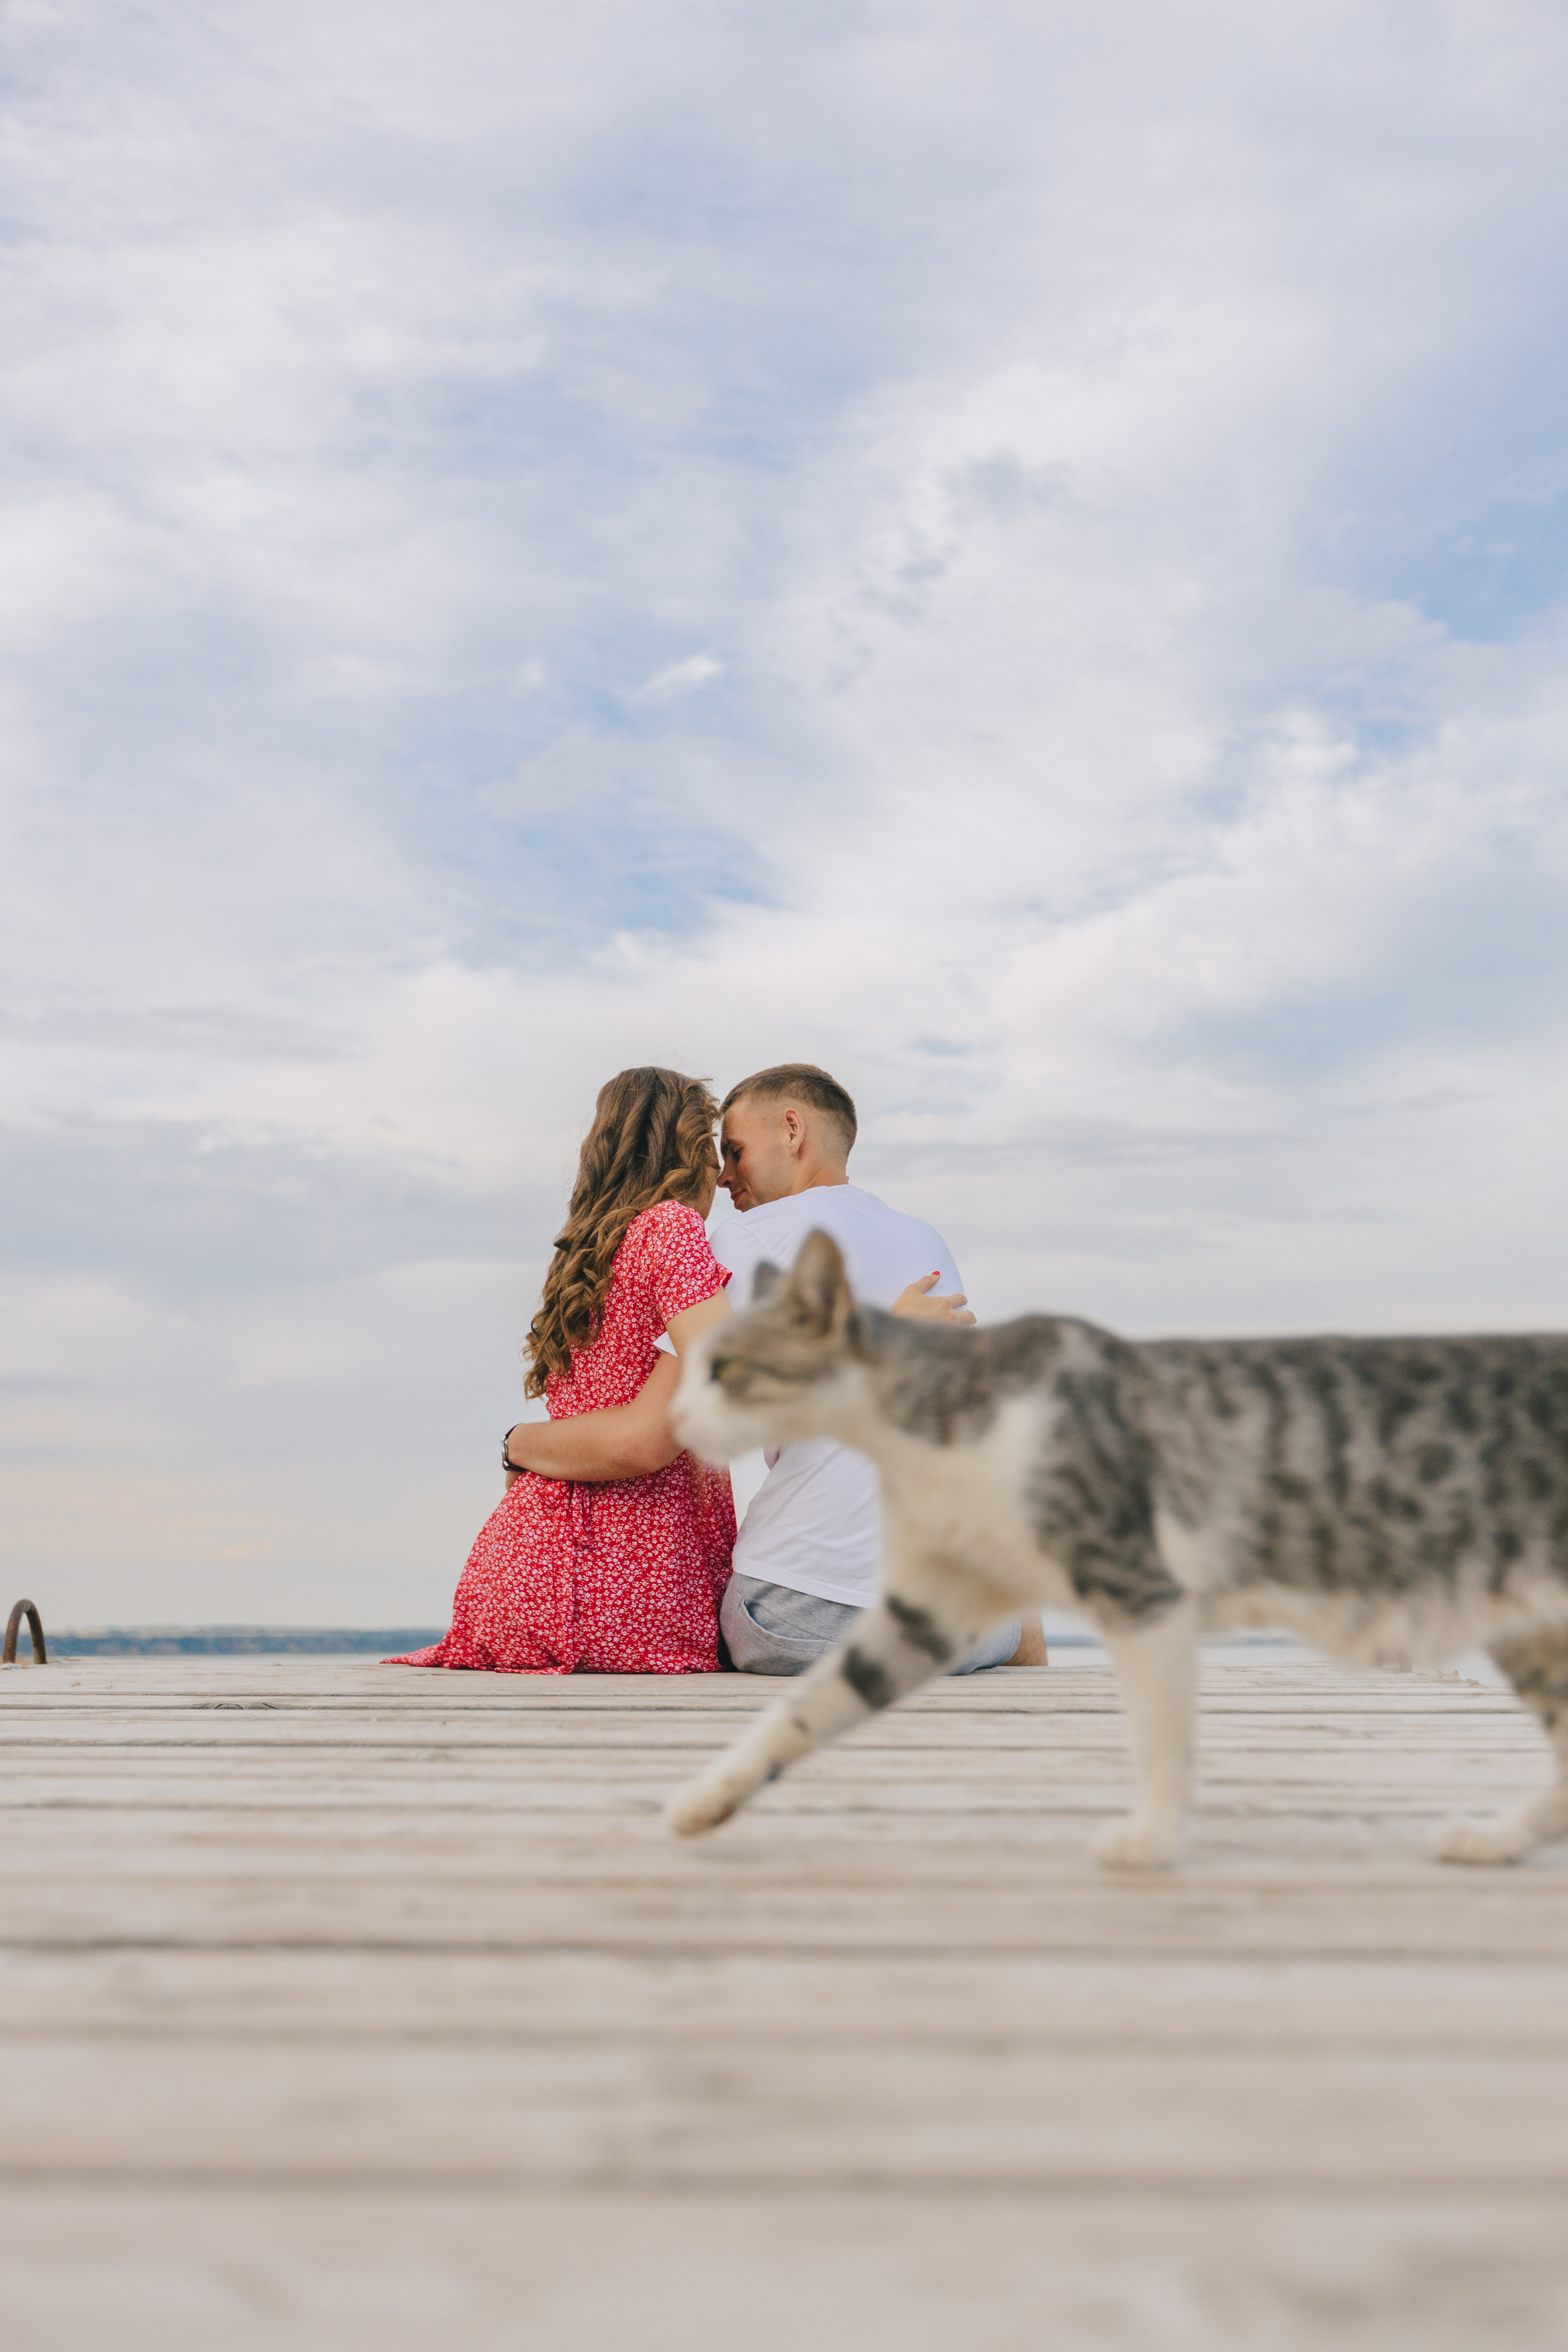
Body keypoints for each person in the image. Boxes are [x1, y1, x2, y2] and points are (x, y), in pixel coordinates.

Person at [388, 1067, 737, 1675]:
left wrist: (517, 1444)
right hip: (624, 1586)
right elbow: (698, 1393)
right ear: (688, 1151)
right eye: (716, 1150)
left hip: (516, 1581)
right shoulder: (674, 1228)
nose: (724, 1174)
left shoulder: (587, 1252)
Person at [708, 1063, 1048, 1675]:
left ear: (793, 1129)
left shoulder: (747, 1237)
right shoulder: (924, 1239)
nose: (722, 1177)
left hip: (796, 1618)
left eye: (733, 1151)